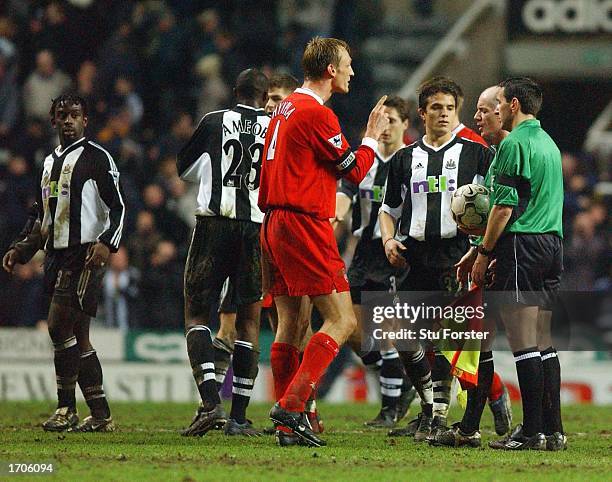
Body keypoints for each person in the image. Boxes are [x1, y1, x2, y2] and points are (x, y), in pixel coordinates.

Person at [258, 36, 389, 447]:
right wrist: (370, 137)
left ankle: (288, 423)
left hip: (273, 222)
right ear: (331, 69)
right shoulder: (316, 113)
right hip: (303, 223)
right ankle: (292, 407)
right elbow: (352, 171)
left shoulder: (282, 108)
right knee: (344, 319)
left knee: (291, 325)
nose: (352, 71)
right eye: (347, 64)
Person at [379, 77, 494, 441]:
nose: (443, 114)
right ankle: (429, 404)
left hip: (457, 255)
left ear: (456, 111)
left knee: (449, 339)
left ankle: (439, 416)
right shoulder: (403, 158)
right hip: (414, 256)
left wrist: (481, 249)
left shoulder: (476, 154)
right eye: (436, 108)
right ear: (422, 113)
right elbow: (388, 209)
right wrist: (387, 240)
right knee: (401, 335)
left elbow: (492, 205)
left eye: (449, 108)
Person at [3, 93, 125, 432]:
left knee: (58, 326)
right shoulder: (48, 162)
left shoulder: (97, 157)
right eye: (62, 115)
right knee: (78, 335)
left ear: (86, 120)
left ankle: (66, 408)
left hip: (84, 253)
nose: (68, 120)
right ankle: (100, 414)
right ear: (54, 120)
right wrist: (22, 248)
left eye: (75, 114)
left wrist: (106, 243)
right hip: (56, 255)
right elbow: (41, 214)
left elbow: (119, 207)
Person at [460, 77, 565, 450]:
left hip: (523, 245)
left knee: (523, 342)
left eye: (501, 103)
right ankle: (554, 431)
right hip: (553, 244)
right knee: (544, 342)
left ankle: (531, 431)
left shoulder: (514, 144)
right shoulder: (549, 144)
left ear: (514, 105)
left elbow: (504, 208)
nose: (498, 109)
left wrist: (483, 253)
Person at [176, 68, 270, 438]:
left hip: (215, 223)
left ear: (236, 91)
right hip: (256, 228)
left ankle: (211, 403)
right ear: (265, 96)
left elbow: (185, 170)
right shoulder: (276, 127)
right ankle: (239, 419)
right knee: (249, 321)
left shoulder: (214, 121)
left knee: (196, 312)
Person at [432, 85, 514, 448]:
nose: (476, 117)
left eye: (483, 110)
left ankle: (473, 422)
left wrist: (483, 248)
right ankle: (477, 414)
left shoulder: (502, 150)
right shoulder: (495, 152)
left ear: (504, 109)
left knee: (478, 340)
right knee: (461, 339)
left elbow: (504, 208)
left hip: (503, 257)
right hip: (478, 254)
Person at [334, 95, 415, 428]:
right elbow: (343, 197)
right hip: (363, 252)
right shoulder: (362, 160)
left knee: (384, 334)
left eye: (392, 121)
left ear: (405, 125)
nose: (385, 128)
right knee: (351, 329)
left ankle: (389, 409)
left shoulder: (413, 160)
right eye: (380, 121)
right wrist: (331, 220)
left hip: (395, 252)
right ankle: (396, 378)